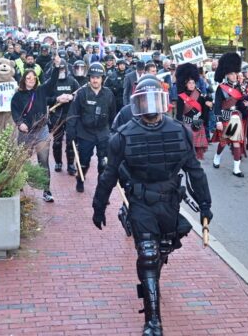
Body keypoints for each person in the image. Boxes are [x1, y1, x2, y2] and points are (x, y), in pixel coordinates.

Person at [92, 76, 213, 335]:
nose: (150, 107)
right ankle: (153, 321)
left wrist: (205, 204)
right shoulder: (123, 136)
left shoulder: (179, 131)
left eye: (153, 99)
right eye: (144, 100)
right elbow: (109, 174)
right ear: (137, 103)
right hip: (141, 202)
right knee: (147, 255)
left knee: (160, 254)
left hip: (169, 202)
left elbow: (195, 170)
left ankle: (152, 283)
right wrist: (98, 205)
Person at [66, 62, 117, 193]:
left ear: (102, 79)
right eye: (93, 77)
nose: (95, 80)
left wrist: (113, 132)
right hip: (85, 133)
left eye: (98, 77)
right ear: (89, 78)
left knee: (103, 164)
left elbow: (113, 115)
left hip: (103, 133)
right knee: (84, 162)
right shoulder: (82, 93)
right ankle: (80, 179)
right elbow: (73, 114)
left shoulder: (109, 94)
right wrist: (71, 132)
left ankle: (101, 189)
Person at [10, 69, 55, 203]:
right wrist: (19, 123)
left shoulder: (40, 91)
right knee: (22, 160)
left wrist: (57, 67)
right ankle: (20, 187)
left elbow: (52, 82)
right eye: (28, 78)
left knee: (44, 161)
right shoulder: (17, 96)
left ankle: (46, 190)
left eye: (33, 78)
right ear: (24, 79)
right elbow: (15, 111)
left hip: (41, 131)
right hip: (26, 133)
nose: (31, 80)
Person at [212, 52, 248, 177]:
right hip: (224, 117)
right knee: (223, 142)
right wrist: (218, 120)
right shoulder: (221, 88)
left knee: (236, 142)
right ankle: (217, 157)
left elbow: (244, 101)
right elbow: (217, 105)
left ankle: (236, 169)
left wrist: (246, 104)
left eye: (235, 73)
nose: (234, 76)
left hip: (236, 118)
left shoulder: (241, 87)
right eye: (231, 74)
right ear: (226, 75)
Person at [46, 59, 79, 175]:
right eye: (59, 69)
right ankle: (58, 162)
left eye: (63, 68)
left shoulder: (72, 81)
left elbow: (79, 95)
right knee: (57, 142)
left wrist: (72, 97)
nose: (61, 71)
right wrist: (57, 99)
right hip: (56, 115)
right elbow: (45, 99)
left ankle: (71, 164)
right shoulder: (51, 82)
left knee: (71, 142)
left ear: (66, 69)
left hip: (70, 115)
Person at [175, 63, 209, 160]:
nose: (192, 85)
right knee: (187, 150)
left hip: (197, 125)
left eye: (193, 83)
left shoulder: (199, 95)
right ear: (186, 84)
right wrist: (180, 126)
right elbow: (179, 114)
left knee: (195, 152)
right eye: (189, 83)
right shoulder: (181, 97)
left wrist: (202, 121)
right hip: (186, 125)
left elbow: (204, 111)